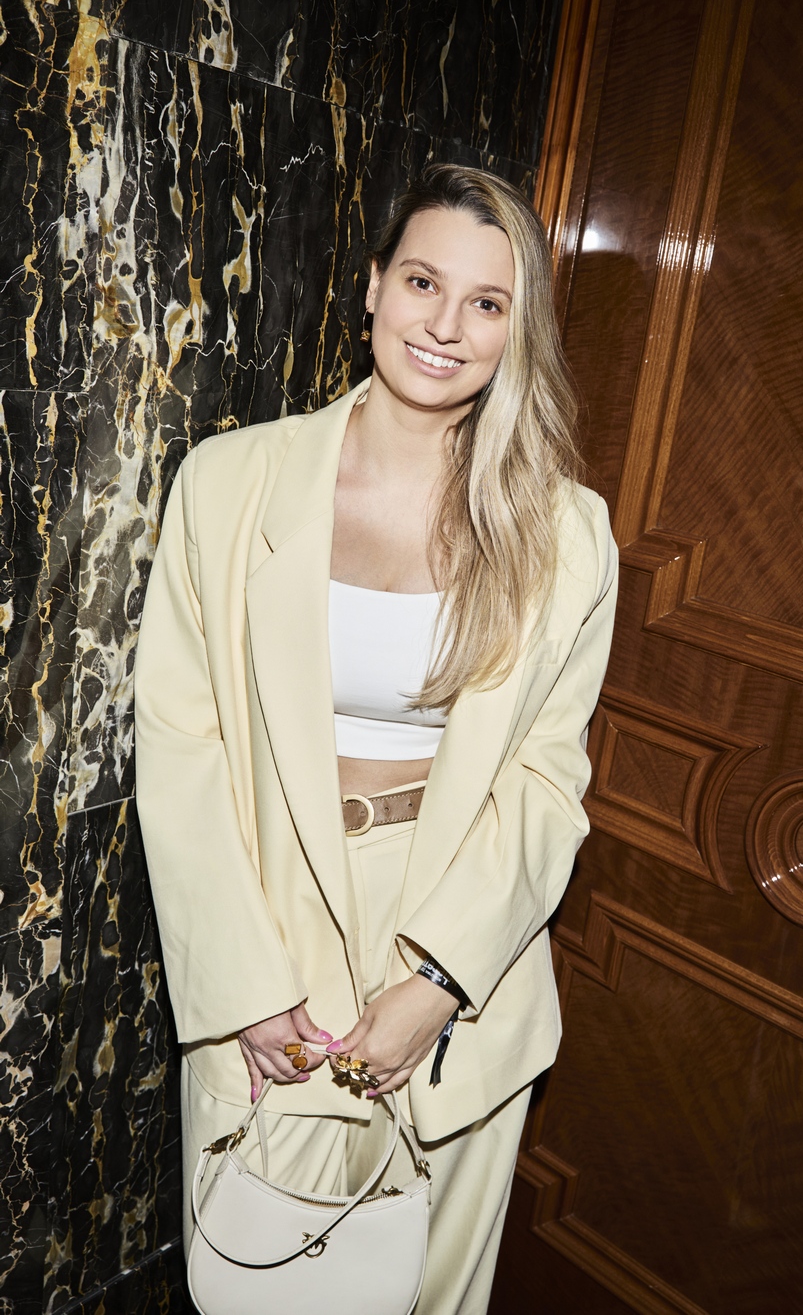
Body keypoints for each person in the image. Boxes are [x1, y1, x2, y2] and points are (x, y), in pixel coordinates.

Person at [134, 163, 618, 1314]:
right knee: (270, 1271)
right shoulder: (229, 484)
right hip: (270, 917)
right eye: (422, 282)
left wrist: (443, 977)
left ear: (516, 329)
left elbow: (547, 776)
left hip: (462, 940)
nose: (445, 325)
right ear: (371, 287)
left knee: (432, 1289)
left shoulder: (565, 532)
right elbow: (182, 743)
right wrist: (244, 983)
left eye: (487, 303)